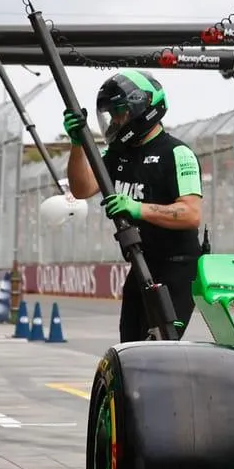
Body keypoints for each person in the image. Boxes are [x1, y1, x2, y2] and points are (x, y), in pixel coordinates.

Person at [65, 69, 204, 342]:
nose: (115, 120)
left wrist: (139, 208)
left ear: (141, 108)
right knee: (130, 346)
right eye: (111, 114)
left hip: (177, 268)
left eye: (119, 112)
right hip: (141, 264)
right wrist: (77, 145)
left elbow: (191, 214)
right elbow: (82, 189)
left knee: (159, 348)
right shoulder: (117, 154)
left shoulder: (177, 154)